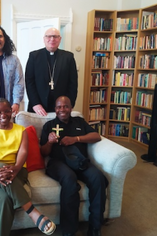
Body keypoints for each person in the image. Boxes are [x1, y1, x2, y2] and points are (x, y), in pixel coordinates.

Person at [0, 98, 56, 236]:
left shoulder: (21, 130)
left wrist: (16, 168)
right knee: (1, 167)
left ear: (11, 111)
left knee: (4, 198)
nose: (3, 115)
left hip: (16, 170)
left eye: (6, 111)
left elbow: (23, 152)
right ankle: (32, 212)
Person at [40, 96, 108, 236]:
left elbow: (96, 136)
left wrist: (76, 139)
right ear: (55, 109)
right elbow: (43, 152)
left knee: (98, 178)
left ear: (71, 108)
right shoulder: (49, 125)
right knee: (69, 179)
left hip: (80, 162)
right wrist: (50, 142)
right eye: (59, 107)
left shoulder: (80, 122)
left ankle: (95, 227)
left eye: (65, 106)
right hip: (58, 164)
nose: (62, 110)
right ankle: (69, 231)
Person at [25, 27, 78, 116]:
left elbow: (73, 83)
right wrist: (35, 103)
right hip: (38, 106)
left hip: (61, 107)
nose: (52, 39)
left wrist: (69, 104)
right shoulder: (34, 56)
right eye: (48, 36)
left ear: (60, 39)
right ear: (44, 39)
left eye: (55, 36)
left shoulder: (68, 57)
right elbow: (29, 82)